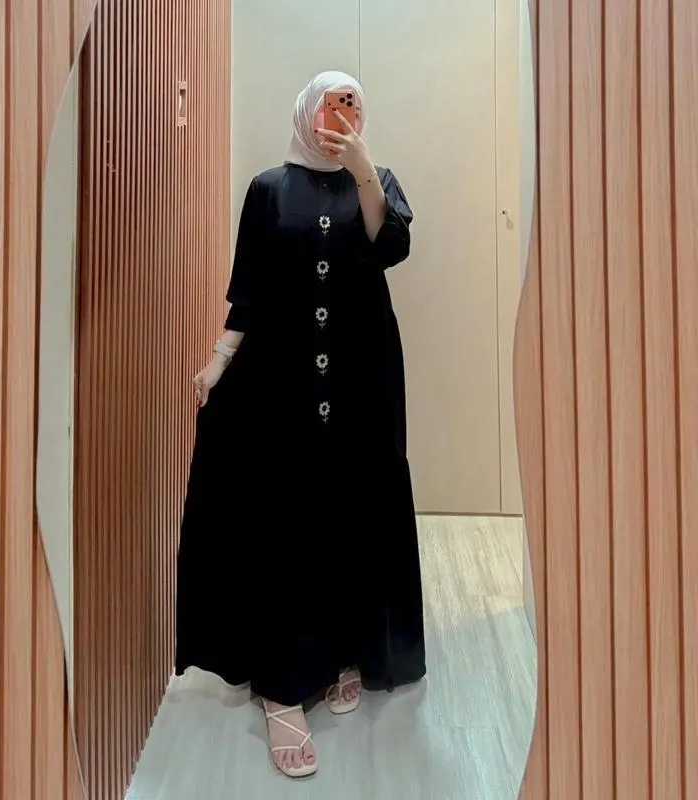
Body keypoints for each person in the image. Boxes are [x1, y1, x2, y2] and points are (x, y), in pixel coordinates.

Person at [174, 70, 426, 779]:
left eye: (353, 105)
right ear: (305, 111)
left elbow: (388, 246)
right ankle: (281, 685)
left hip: (361, 377)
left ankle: (345, 651)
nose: (342, 115)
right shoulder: (267, 189)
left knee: (352, 512)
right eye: (330, 103)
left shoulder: (377, 182)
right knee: (283, 521)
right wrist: (219, 362)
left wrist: (363, 168)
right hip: (279, 378)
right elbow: (248, 289)